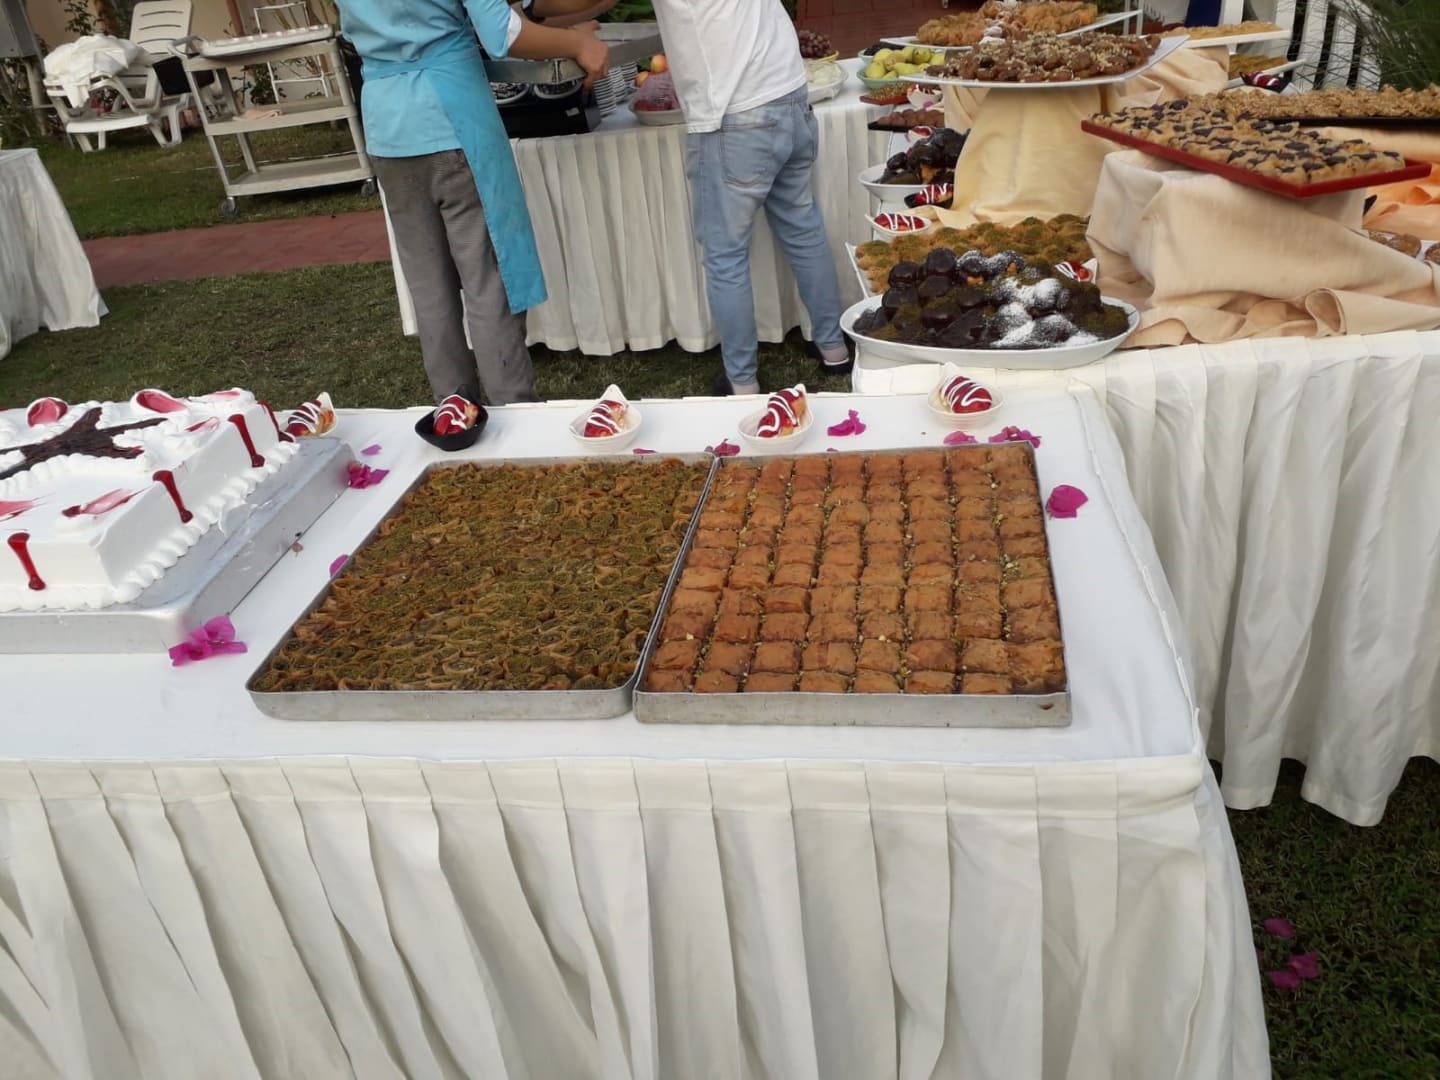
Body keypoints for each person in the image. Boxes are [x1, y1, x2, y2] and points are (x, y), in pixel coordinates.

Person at [337, 0, 610, 416]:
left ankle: (453, 413)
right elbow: (503, 32)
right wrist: (576, 43)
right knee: (488, 280)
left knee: (430, 288)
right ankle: (513, 411)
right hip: (452, 116)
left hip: (386, 124)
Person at [648, 0, 853, 395]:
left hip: (735, 109)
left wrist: (537, 13)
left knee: (725, 256)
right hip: (789, 92)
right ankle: (834, 349)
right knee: (803, 227)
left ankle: (742, 382)